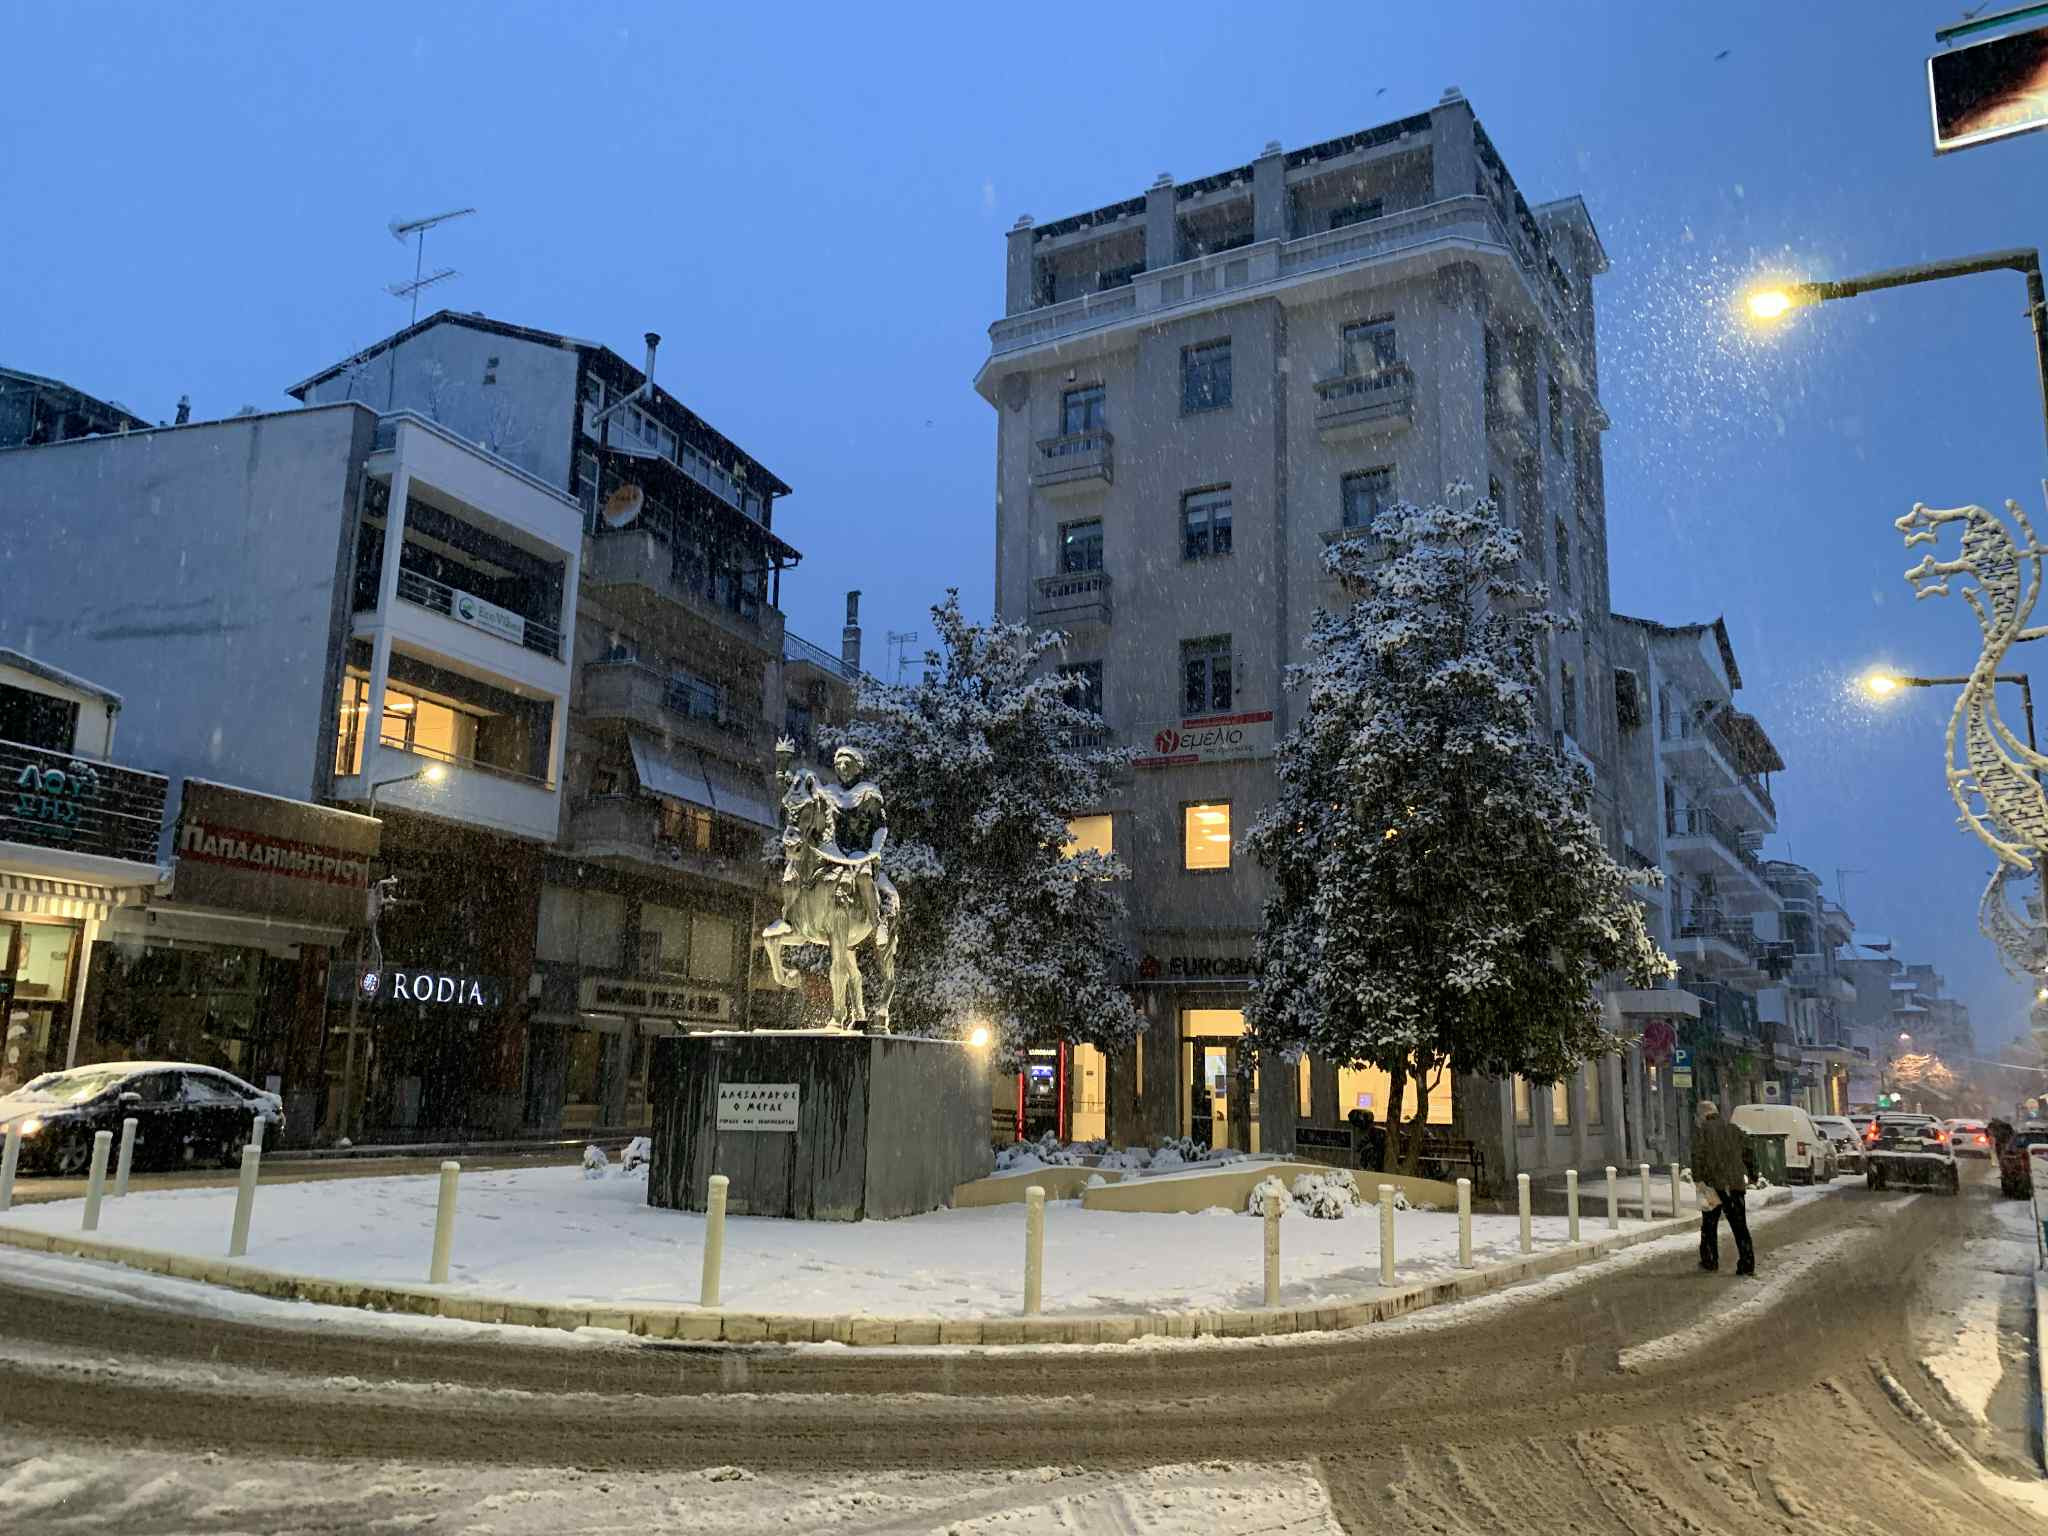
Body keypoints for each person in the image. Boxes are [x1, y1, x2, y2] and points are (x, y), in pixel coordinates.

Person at [1692, 1100, 1757, 1276]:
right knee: (1739, 1225)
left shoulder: (1703, 1132)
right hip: (1735, 1184)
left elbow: (1697, 1156)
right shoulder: (1733, 1129)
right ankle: (1747, 1262)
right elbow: (1749, 1151)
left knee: (1709, 1224)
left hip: (1713, 1185)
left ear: (1702, 1115)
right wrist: (1752, 1174)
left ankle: (1710, 1260)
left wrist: (1698, 1179)